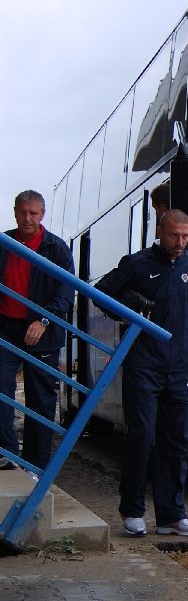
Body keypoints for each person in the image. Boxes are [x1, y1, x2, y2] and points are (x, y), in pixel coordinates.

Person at [96, 209, 188, 537]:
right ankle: (133, 511)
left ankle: (172, 514)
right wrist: (129, 308)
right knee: (142, 436)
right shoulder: (137, 263)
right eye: (174, 235)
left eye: (185, 236)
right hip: (143, 364)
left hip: (178, 366)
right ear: (160, 231)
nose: (180, 242)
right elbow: (102, 293)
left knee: (177, 439)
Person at [0, 190, 75, 470]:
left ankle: (35, 467)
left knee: (41, 400)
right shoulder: (4, 243)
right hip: (6, 327)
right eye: (23, 212)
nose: (28, 218)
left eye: (34, 213)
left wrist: (43, 320)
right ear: (15, 212)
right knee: (1, 388)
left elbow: (66, 292)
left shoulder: (56, 248)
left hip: (42, 330)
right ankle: (6, 453)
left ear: (42, 215)